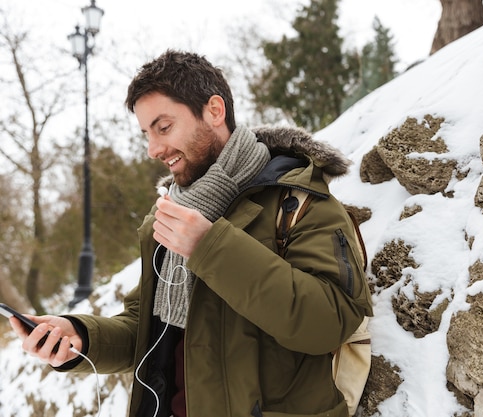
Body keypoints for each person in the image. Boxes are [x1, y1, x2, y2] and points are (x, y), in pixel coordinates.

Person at [10, 49, 373, 417]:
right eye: (146, 134)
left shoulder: (298, 201)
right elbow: (147, 328)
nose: (153, 149)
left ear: (214, 111)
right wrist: (80, 336)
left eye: (163, 127)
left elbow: (330, 323)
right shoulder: (171, 214)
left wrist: (210, 248)